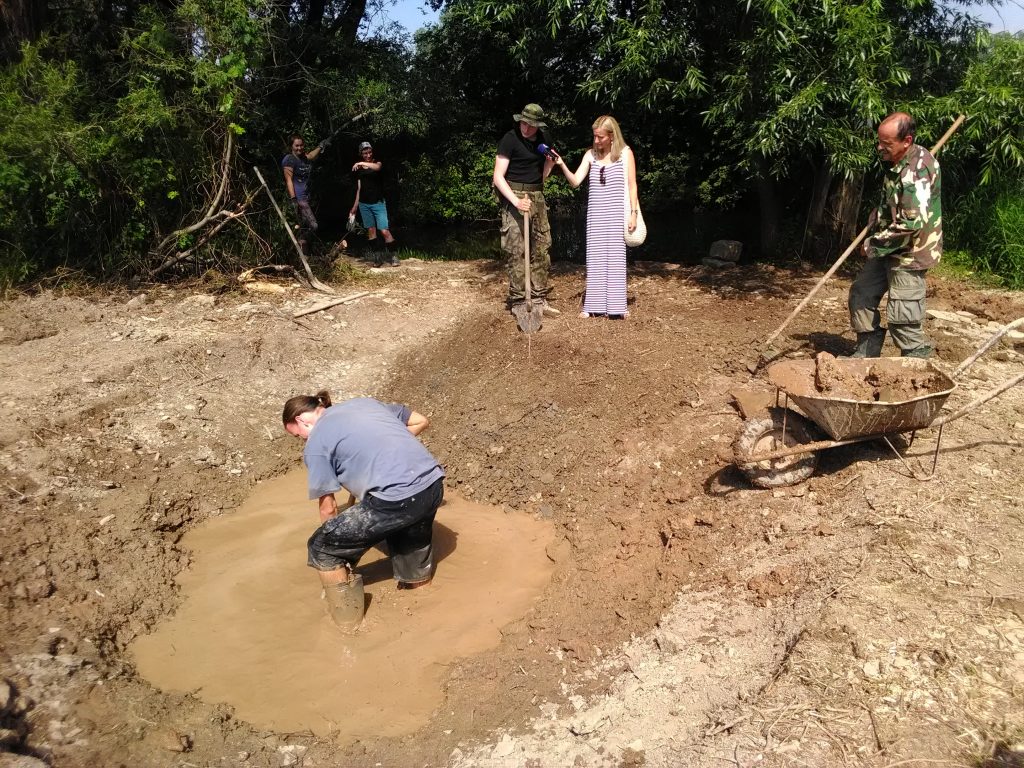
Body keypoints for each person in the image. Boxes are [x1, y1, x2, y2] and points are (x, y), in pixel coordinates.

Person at [281, 392, 445, 631]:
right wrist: (379, 454)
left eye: (298, 436)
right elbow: (420, 420)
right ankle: (424, 609)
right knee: (407, 539)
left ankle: (349, 624)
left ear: (301, 420)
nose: (303, 441)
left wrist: (333, 538)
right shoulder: (363, 404)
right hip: (432, 487)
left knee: (322, 546)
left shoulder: (316, 443)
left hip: (397, 500)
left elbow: (329, 508)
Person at [847, 112, 942, 358]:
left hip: (910, 250)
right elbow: (895, 201)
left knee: (903, 315)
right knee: (862, 293)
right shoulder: (898, 159)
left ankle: (915, 367)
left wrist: (873, 244)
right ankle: (867, 351)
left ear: (906, 141)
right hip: (889, 241)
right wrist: (878, 214)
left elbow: (911, 223)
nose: (880, 147)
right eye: (879, 141)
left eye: (886, 144)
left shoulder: (916, 173)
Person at [554, 115, 638, 319]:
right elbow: (575, 181)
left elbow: (632, 185)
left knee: (616, 259)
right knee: (596, 259)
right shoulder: (590, 155)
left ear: (612, 136)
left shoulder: (625, 154)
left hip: (617, 215)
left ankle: (618, 307)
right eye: (595, 137)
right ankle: (593, 305)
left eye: (600, 137)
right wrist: (561, 164)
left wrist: (633, 214)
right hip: (596, 216)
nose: (597, 141)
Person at [492, 103, 562, 320]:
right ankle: (520, 299)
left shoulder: (544, 138)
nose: (526, 128)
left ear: (538, 125)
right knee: (516, 249)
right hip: (514, 194)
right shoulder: (510, 139)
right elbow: (498, 177)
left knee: (541, 247)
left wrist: (551, 162)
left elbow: (543, 175)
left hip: (537, 196)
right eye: (524, 123)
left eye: (531, 125)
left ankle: (539, 297)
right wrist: (515, 201)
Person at [281, 134, 340, 255]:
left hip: (307, 198)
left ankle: (304, 255)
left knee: (303, 228)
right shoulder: (289, 159)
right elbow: (288, 180)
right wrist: (293, 199)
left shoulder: (303, 157)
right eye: (296, 145)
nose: (299, 148)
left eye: (301, 145)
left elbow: (311, 155)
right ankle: (298, 244)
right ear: (291, 146)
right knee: (313, 225)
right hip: (299, 199)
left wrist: (321, 145)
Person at [349, 141, 398, 266]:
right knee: (371, 231)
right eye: (365, 153)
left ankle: (394, 255)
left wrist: (361, 163)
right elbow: (359, 188)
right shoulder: (359, 170)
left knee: (384, 230)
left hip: (378, 202)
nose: (368, 155)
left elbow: (378, 168)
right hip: (364, 204)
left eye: (369, 152)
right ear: (361, 154)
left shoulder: (377, 162)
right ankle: (377, 258)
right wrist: (354, 207)